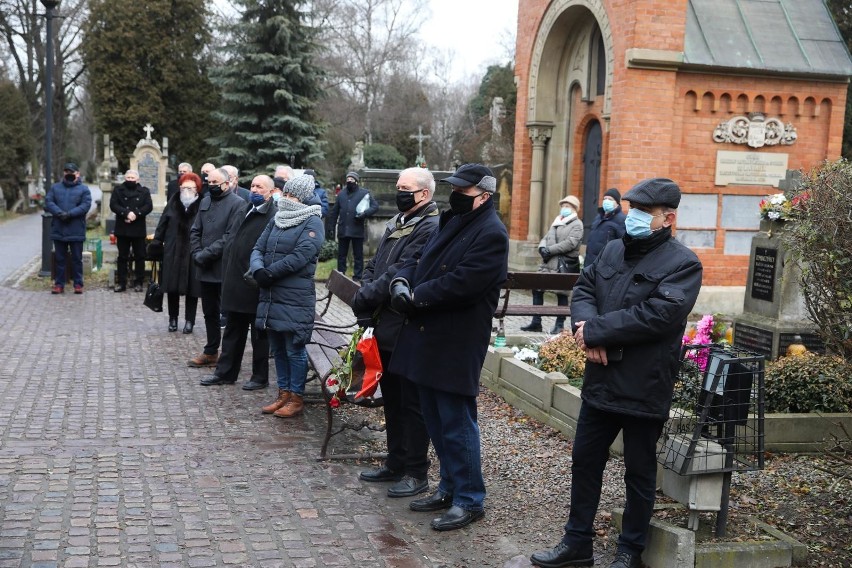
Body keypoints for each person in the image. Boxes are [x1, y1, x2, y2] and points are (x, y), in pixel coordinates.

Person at [529, 178, 703, 568]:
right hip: (601, 380)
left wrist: (597, 331)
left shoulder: (683, 263)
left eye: (644, 212)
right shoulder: (610, 249)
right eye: (632, 209)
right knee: (585, 462)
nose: (634, 217)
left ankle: (629, 551)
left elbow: (658, 315)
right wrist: (586, 329)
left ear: (668, 218)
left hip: (644, 383)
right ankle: (577, 544)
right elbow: (585, 289)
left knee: (639, 473)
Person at [387, 163, 508, 531]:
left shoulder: (491, 233)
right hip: (428, 335)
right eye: (454, 188)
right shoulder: (452, 220)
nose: (455, 195)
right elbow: (420, 259)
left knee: (456, 422)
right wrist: (401, 280)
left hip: (456, 340)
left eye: (463, 191)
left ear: (484, 196)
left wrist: (416, 296)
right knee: (435, 420)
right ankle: (449, 487)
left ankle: (470, 499)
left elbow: (463, 282)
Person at [351, 167, 440, 498]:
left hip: (407, 326)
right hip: (385, 324)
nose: (399, 192)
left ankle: (416, 472)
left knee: (411, 402)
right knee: (392, 397)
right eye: (398, 186)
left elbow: (401, 271)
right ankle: (395, 461)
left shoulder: (430, 226)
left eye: (405, 188)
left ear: (424, 194)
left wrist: (368, 293)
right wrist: (366, 287)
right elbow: (375, 264)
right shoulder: (400, 221)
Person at [251, 174, 324, 418]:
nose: (287, 198)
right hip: (272, 294)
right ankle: (282, 394)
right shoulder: (277, 218)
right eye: (287, 193)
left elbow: (301, 256)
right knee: (278, 348)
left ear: (302, 198)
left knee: (294, 348)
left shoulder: (313, 221)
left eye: (292, 195)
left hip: (294, 296)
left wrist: (269, 273)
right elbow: (258, 247)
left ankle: (296, 396)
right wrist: (257, 268)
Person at [201, 175, 276, 389]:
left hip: (253, 282)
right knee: (233, 331)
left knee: (259, 334)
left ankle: (259, 377)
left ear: (270, 191)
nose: (254, 189)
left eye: (259, 187)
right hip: (235, 280)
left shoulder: (272, 214)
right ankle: (225, 373)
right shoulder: (245, 208)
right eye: (252, 185)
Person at [187, 167, 246, 368]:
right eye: (209, 182)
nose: (211, 186)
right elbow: (195, 230)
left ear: (227, 183)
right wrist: (196, 253)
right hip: (204, 266)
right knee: (209, 311)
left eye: (215, 183)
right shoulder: (205, 201)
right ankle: (211, 350)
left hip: (223, 266)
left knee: (227, 313)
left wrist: (206, 254)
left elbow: (229, 237)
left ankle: (229, 356)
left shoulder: (238, 204)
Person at [521, 195, 583, 334]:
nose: (564, 208)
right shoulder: (557, 221)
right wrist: (542, 247)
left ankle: (559, 325)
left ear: (574, 209)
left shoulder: (577, 224)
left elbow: (570, 243)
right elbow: (546, 237)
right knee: (537, 289)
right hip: (548, 263)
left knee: (562, 294)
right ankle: (536, 322)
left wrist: (549, 250)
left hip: (561, 264)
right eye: (563, 206)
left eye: (568, 206)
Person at [149, 173, 203, 334]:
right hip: (173, 250)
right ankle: (173, 319)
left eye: (190, 187)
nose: (186, 190)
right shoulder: (173, 201)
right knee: (172, 288)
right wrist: (157, 243)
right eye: (183, 187)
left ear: (197, 189)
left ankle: (189, 321)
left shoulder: (202, 203)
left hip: (193, 252)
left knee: (192, 290)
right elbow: (162, 224)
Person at [44, 162, 92, 294]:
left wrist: (70, 214)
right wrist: (59, 213)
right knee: (60, 259)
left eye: (71, 172)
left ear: (77, 174)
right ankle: (59, 284)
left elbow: (85, 205)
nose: (69, 174)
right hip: (59, 228)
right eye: (66, 172)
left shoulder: (84, 189)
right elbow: (49, 202)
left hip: (76, 229)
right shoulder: (55, 188)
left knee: (77, 259)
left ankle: (78, 284)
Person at [328, 171, 378, 280]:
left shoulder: (364, 193)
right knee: (341, 256)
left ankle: (357, 277)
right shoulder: (341, 194)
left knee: (358, 256)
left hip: (357, 229)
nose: (349, 181)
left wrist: (364, 214)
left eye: (352, 179)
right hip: (343, 229)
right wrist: (331, 227)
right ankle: (340, 275)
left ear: (356, 180)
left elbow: (375, 206)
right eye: (348, 179)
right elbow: (334, 212)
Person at [110, 169, 154, 292]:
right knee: (122, 257)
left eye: (132, 178)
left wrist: (136, 214)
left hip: (138, 228)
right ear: (125, 178)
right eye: (128, 178)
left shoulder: (144, 191)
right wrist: (126, 213)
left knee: (140, 256)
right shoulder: (118, 190)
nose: (130, 180)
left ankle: (138, 282)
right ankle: (122, 282)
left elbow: (148, 206)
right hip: (122, 228)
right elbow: (113, 205)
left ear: (137, 179)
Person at [584, 188, 626, 267]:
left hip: (607, 265)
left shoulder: (622, 220)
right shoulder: (598, 218)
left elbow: (623, 245)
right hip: (590, 263)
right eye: (605, 199)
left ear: (617, 203)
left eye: (610, 199)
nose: (606, 201)